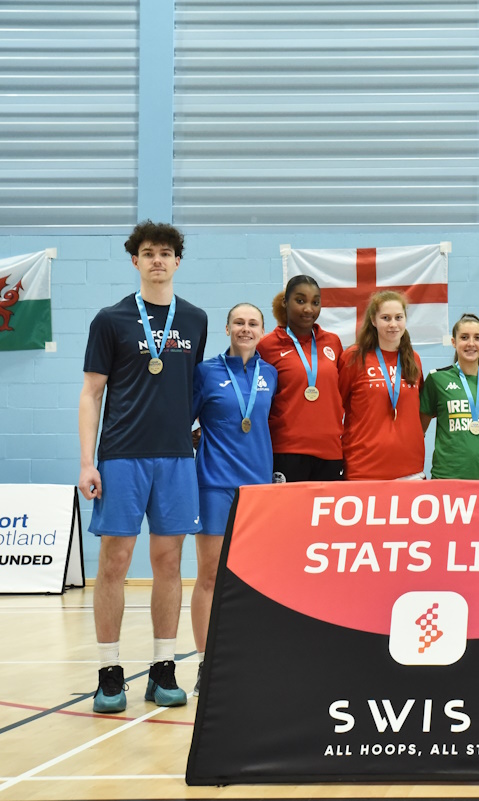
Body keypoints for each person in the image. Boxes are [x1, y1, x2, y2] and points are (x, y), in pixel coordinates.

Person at [78, 220, 207, 713]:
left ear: (178, 261)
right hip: (121, 456)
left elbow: (192, 387)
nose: (157, 260)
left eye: (166, 253)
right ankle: (109, 674)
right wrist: (87, 462)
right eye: (149, 253)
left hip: (176, 458)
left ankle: (163, 667)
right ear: (135, 261)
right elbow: (92, 393)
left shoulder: (194, 319)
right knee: (114, 562)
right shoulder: (110, 319)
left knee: (170, 563)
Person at [191, 302, 277, 696]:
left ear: (262, 330)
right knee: (210, 576)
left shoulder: (270, 374)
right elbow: (183, 421)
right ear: (226, 328)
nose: (246, 328)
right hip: (214, 485)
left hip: (257, 491)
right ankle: (205, 663)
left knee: (254, 579)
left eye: (253, 323)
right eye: (238, 322)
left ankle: (248, 659)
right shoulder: (206, 372)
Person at [256, 275, 344, 482]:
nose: (308, 309)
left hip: (330, 451)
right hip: (286, 451)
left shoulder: (332, 342)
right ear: (285, 302)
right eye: (300, 300)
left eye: (315, 302)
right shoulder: (267, 346)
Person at [338, 291, 425, 480]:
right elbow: (337, 409)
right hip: (364, 469)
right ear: (373, 320)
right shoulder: (354, 357)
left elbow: (418, 412)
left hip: (410, 468)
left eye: (398, 317)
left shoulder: (414, 359)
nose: (393, 324)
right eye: (386, 318)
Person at [420, 313, 479, 479]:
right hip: (447, 478)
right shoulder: (437, 379)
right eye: (464, 337)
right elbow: (419, 430)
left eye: (477, 338)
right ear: (454, 342)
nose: (471, 343)